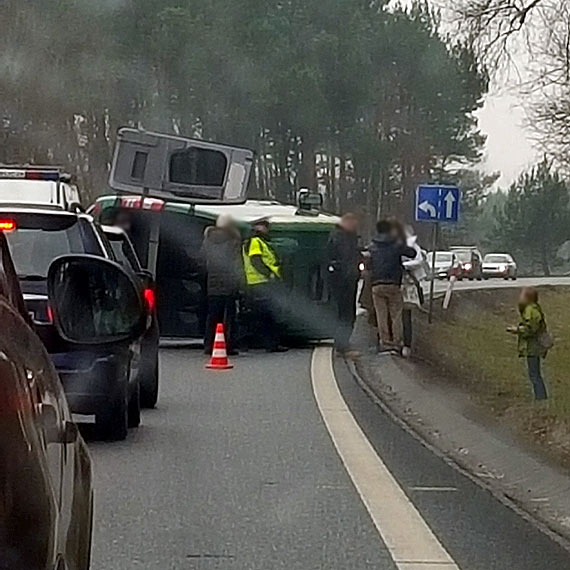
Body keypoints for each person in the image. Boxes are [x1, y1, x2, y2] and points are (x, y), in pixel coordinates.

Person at [368, 219, 416, 353]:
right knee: (396, 314)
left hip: (376, 284)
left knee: (381, 315)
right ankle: (396, 342)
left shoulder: (372, 245)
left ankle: (385, 342)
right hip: (393, 284)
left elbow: (367, 261)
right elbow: (412, 253)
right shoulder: (396, 244)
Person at [242, 219, 288, 352]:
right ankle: (270, 344)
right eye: (264, 226)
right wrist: (269, 274)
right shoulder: (255, 242)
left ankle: (267, 343)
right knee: (267, 315)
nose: (266, 229)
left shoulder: (258, 242)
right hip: (261, 282)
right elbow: (256, 260)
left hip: (258, 283)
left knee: (262, 315)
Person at [201, 214, 243, 355]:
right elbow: (237, 264)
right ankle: (228, 345)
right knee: (229, 317)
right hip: (229, 282)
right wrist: (240, 282)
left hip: (212, 283)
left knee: (212, 316)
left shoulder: (208, 239)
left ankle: (209, 344)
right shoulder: (233, 240)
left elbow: (202, 259)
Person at [326, 213, 361, 355]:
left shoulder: (340, 236)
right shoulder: (342, 238)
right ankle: (343, 345)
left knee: (344, 312)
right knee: (346, 313)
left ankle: (342, 343)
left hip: (342, 279)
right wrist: (352, 274)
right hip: (344, 280)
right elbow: (346, 259)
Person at [507, 287, 550, 401]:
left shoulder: (531, 310)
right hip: (532, 346)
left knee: (534, 373)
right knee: (534, 372)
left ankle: (540, 398)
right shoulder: (531, 309)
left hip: (533, 346)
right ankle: (540, 397)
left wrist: (516, 330)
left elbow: (531, 329)